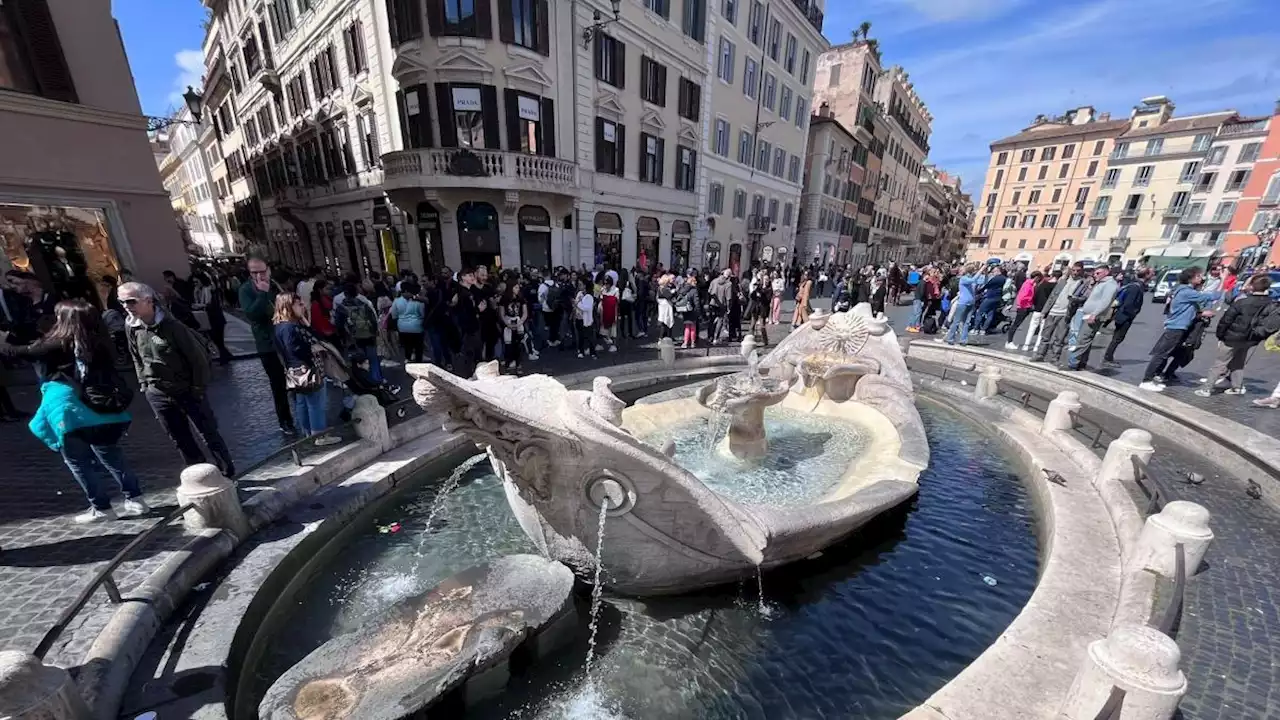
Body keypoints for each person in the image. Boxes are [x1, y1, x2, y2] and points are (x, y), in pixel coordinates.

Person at [1, 299, 146, 522]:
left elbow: (21, 352)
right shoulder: (98, 343)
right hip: (101, 409)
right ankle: (136, 499)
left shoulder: (57, 343)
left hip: (69, 409)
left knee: (78, 461)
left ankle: (101, 508)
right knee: (112, 456)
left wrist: (3, 341)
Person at [119, 282, 236, 477]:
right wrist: (144, 384)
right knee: (180, 438)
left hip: (186, 389)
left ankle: (227, 473)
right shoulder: (132, 326)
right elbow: (136, 356)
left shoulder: (173, 327)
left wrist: (197, 388)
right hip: (157, 391)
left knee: (208, 433)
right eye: (121, 302)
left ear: (148, 301)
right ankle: (200, 476)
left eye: (131, 301)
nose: (126, 306)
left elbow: (197, 360)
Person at [239, 249, 295, 434]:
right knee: (278, 384)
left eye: (262, 271)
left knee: (298, 378)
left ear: (268, 269)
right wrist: (262, 294)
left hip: (286, 340)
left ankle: (302, 416)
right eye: (254, 272)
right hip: (268, 345)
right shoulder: (246, 290)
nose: (258, 275)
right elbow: (252, 314)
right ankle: (285, 420)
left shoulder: (276, 286)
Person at [273, 293, 341, 445]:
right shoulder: (291, 327)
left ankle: (308, 433)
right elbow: (298, 346)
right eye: (299, 304)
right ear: (289, 306)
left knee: (302, 403)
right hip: (307, 369)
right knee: (316, 403)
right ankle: (319, 435)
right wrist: (312, 349)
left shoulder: (279, 327)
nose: (303, 307)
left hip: (293, 371)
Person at [1196, 274, 1278, 397]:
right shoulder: (1270, 303)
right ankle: (1236, 387)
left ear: (1252, 287)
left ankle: (1207, 388)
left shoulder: (1242, 302)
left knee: (1220, 363)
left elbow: (1226, 320)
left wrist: (1220, 335)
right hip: (1251, 339)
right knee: (1239, 363)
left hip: (1232, 337)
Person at [1139, 267, 1216, 392]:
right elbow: (1209, 297)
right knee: (1161, 354)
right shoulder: (1187, 292)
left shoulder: (1183, 290)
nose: (1201, 278)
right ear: (1192, 278)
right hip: (1176, 327)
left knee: (1164, 353)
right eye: (1199, 276)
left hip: (1177, 326)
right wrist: (1224, 284)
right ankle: (1146, 380)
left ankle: (1152, 378)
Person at [1063, 266, 1119, 371]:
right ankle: (1081, 363)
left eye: (1098, 273)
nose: (1095, 275)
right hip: (1088, 314)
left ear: (1106, 273)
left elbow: (1105, 302)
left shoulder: (1110, 285)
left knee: (1083, 339)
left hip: (1094, 316)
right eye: (1095, 273)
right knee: (1086, 340)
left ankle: (1072, 363)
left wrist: (1094, 314)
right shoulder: (1101, 283)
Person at [1032, 263, 1087, 364]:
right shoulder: (1062, 281)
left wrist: (1076, 300)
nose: (1075, 273)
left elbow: (1084, 298)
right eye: (1074, 270)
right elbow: (1052, 296)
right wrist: (1044, 311)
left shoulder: (1082, 283)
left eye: (1078, 271)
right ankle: (1040, 354)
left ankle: (1055, 357)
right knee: (1045, 335)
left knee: (1060, 338)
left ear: (1082, 271)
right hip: (1053, 311)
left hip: (1065, 313)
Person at [335, 281, 384, 383]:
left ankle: (362, 381)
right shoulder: (364, 304)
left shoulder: (341, 308)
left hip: (353, 338)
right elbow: (373, 320)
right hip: (368, 335)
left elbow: (339, 324)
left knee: (357, 360)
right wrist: (375, 333)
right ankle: (376, 380)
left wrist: (342, 338)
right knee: (373, 359)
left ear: (345, 293)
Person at [1101, 269, 1149, 369]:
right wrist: (1132, 314)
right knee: (1117, 338)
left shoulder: (1135, 285)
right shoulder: (1136, 287)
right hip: (1124, 316)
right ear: (1146, 275)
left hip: (1123, 315)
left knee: (1117, 338)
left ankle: (1108, 357)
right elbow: (1129, 304)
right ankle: (1107, 358)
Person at [942, 263, 981, 346]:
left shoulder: (973, 278)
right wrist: (981, 270)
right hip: (962, 302)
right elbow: (972, 280)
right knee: (956, 321)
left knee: (967, 322)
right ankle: (951, 338)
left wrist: (986, 273)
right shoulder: (964, 279)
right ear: (971, 271)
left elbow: (982, 281)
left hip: (971, 303)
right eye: (974, 270)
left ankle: (963, 340)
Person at [391, 281, 426, 363]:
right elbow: (422, 314)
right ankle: (418, 361)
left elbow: (394, 315)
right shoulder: (417, 301)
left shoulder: (396, 301)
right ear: (406, 291)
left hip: (402, 327)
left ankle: (408, 358)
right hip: (417, 326)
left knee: (407, 345)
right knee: (418, 346)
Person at [1005, 272, 1040, 349]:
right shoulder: (1028, 284)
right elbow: (1023, 296)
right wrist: (1029, 300)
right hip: (1023, 307)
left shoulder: (1029, 284)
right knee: (1016, 324)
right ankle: (1009, 342)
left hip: (1025, 306)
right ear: (1036, 277)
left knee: (1017, 324)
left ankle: (1009, 341)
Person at [502, 284, 528, 369]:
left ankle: (518, 362)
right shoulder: (504, 299)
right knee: (508, 344)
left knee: (519, 344)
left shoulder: (521, 298)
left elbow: (525, 312)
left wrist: (520, 322)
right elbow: (501, 313)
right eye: (515, 287)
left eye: (518, 287)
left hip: (518, 322)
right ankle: (509, 361)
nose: (518, 289)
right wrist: (507, 323)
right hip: (508, 321)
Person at [574, 278, 598, 359]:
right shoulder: (579, 293)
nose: (579, 286)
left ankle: (592, 352)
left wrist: (578, 304)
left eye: (580, 284)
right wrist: (577, 304)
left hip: (587, 319)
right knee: (580, 336)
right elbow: (576, 303)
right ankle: (581, 351)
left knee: (589, 336)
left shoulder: (589, 296)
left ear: (585, 285)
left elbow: (586, 308)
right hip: (579, 318)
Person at [677, 270, 701, 348]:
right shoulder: (694, 291)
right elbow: (696, 302)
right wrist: (698, 312)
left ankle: (685, 342)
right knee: (693, 327)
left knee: (687, 327)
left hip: (685, 310)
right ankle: (693, 342)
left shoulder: (683, 289)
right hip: (692, 310)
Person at [599, 275, 620, 352]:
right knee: (603, 329)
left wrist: (608, 299)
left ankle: (614, 345)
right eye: (605, 284)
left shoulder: (616, 290)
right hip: (604, 311)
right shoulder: (602, 289)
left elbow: (617, 300)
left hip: (612, 311)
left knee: (613, 329)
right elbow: (601, 299)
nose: (606, 285)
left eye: (607, 284)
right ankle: (604, 343)